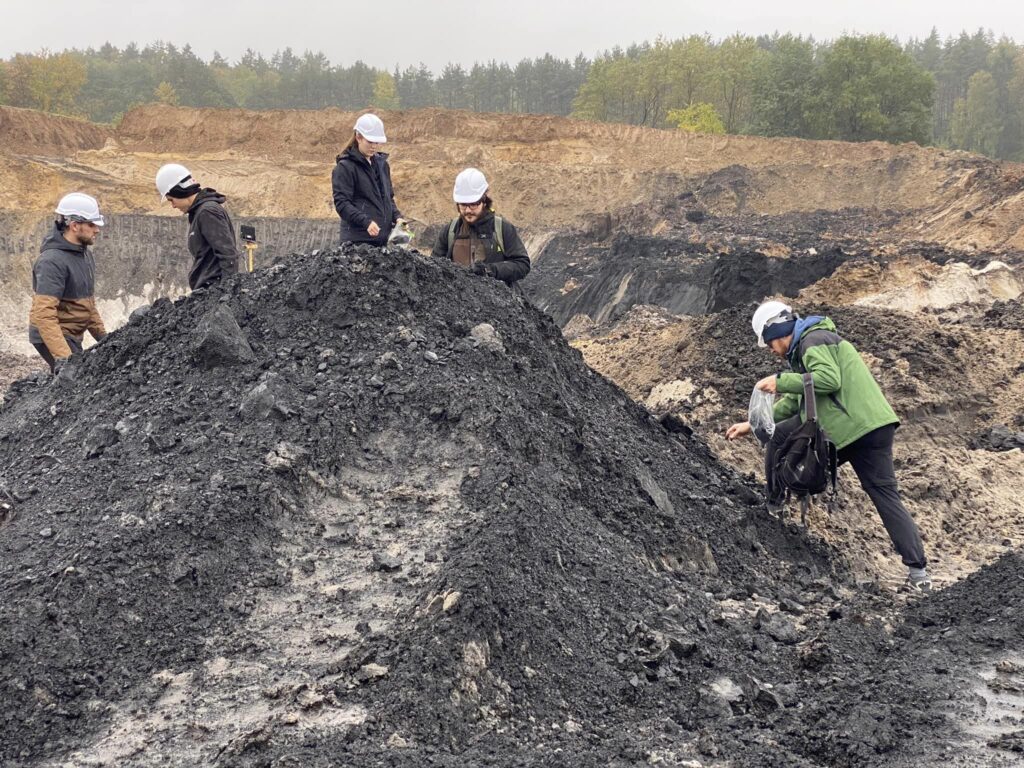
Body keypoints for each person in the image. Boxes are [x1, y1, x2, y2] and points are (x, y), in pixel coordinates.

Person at [726, 301, 932, 592]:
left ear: (778, 329)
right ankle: (919, 573)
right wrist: (751, 423)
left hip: (848, 429)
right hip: (876, 427)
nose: (770, 349)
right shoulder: (811, 346)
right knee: (885, 495)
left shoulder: (813, 339)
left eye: (768, 341)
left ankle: (772, 506)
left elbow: (828, 380)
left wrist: (781, 380)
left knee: (779, 438)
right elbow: (798, 401)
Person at [28, 193, 108, 373]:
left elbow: (88, 303)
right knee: (75, 379)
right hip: (54, 333)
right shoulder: (52, 261)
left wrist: (104, 338)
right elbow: (44, 314)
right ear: (74, 226)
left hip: (72, 331)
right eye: (91, 224)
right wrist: (65, 359)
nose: (97, 230)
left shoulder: (84, 255)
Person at [431, 168, 531, 288]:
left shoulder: (502, 229)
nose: (468, 210)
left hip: (498, 303)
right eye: (463, 204)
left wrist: (489, 270)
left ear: (484, 200)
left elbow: (522, 265)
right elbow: (434, 268)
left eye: (473, 204)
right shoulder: (450, 231)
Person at [155, 163, 240, 290]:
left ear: (179, 192)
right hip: (209, 293)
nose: (173, 206)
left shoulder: (207, 212)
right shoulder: (200, 212)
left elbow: (228, 254)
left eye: (171, 200)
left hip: (213, 292)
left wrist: (227, 292)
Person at [332, 113, 401, 246]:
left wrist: (397, 217)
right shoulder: (345, 167)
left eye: (377, 142)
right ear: (358, 137)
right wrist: (366, 222)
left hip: (381, 242)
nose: (374, 146)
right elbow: (342, 203)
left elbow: (388, 198)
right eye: (370, 141)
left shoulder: (382, 165)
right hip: (357, 243)